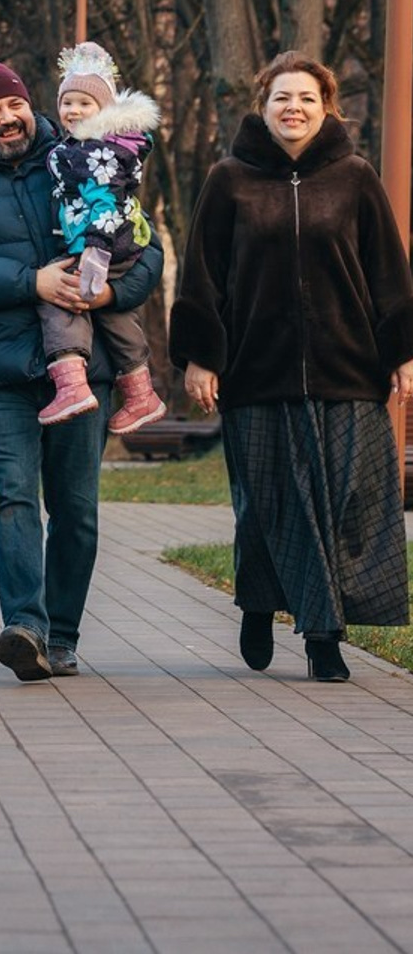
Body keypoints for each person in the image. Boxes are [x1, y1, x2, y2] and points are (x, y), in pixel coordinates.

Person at [169, 51, 413, 683]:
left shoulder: (355, 178)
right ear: (264, 107)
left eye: (306, 97)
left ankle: (324, 637)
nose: (294, 108)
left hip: (347, 373)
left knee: (343, 507)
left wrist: (402, 351)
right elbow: (203, 275)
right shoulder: (229, 180)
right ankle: (258, 601)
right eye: (282, 98)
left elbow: (388, 272)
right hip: (257, 375)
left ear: (325, 106)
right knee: (268, 507)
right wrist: (201, 355)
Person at [0, 63, 162, 681]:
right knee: (14, 495)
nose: (7, 119)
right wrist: (33, 282)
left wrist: (111, 295)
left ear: (31, 107)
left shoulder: (83, 156)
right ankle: (25, 625)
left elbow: (145, 246)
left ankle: (63, 634)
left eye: (14, 106)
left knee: (76, 507)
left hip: (89, 369)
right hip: (1, 370)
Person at [37, 41, 168, 434]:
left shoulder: (98, 152)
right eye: (67, 103)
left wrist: (95, 251)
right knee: (114, 314)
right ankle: (142, 393)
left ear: (104, 110)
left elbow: (105, 202)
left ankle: (72, 385)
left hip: (103, 243)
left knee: (65, 301)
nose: (73, 111)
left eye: (84, 104)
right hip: (116, 242)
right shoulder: (84, 146)